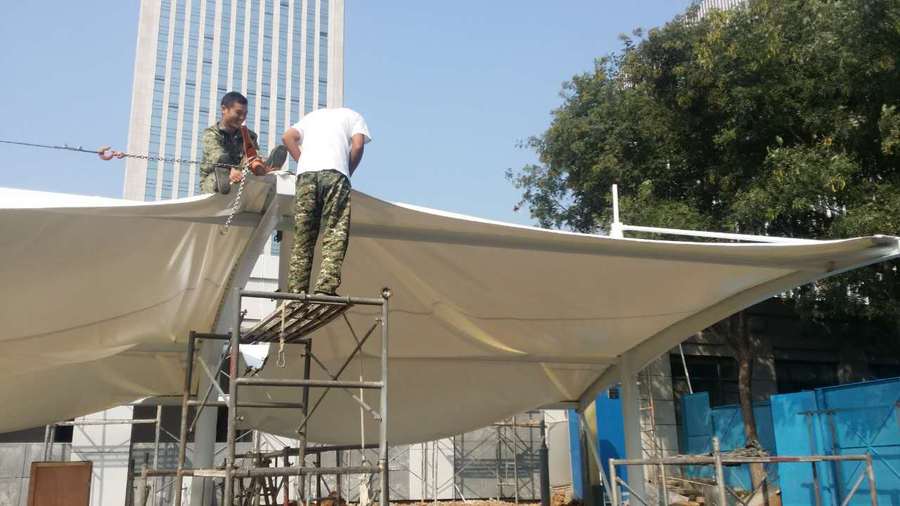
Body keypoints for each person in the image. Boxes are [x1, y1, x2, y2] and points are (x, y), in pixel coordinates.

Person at [281, 107, 371, 295]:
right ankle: (325, 287)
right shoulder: (354, 116)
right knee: (335, 231)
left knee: (303, 234)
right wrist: (348, 170)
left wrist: (303, 160)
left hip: (306, 175)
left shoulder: (312, 117)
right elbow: (358, 145)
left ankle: (296, 291)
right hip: (335, 173)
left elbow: (287, 137)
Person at [199, 91, 286, 194]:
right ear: (224, 109)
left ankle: (267, 167)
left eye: (245, 114)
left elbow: (253, 154)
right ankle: (224, 177)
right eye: (238, 113)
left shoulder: (248, 135)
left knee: (252, 159)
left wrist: (258, 162)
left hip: (241, 174)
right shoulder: (211, 133)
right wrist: (230, 170)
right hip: (214, 176)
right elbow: (216, 154)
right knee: (221, 163)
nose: (242, 117)